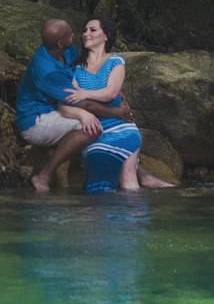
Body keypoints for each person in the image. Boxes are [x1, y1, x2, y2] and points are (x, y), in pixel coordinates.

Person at [15, 19, 133, 193]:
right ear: (60, 42)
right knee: (92, 128)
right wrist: (117, 112)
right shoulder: (47, 70)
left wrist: (112, 89)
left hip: (59, 106)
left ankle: (137, 171)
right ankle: (44, 175)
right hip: (37, 120)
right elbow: (83, 103)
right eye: (70, 35)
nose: (76, 35)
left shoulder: (66, 49)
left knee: (106, 117)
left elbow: (79, 75)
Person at [64, 17, 144, 193]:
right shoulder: (76, 67)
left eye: (92, 30)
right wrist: (84, 100)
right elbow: (75, 100)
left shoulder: (115, 62)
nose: (86, 34)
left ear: (106, 36)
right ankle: (102, 216)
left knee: (128, 178)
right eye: (84, 30)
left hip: (122, 128)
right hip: (93, 130)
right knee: (99, 156)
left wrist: (86, 93)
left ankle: (133, 218)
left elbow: (111, 93)